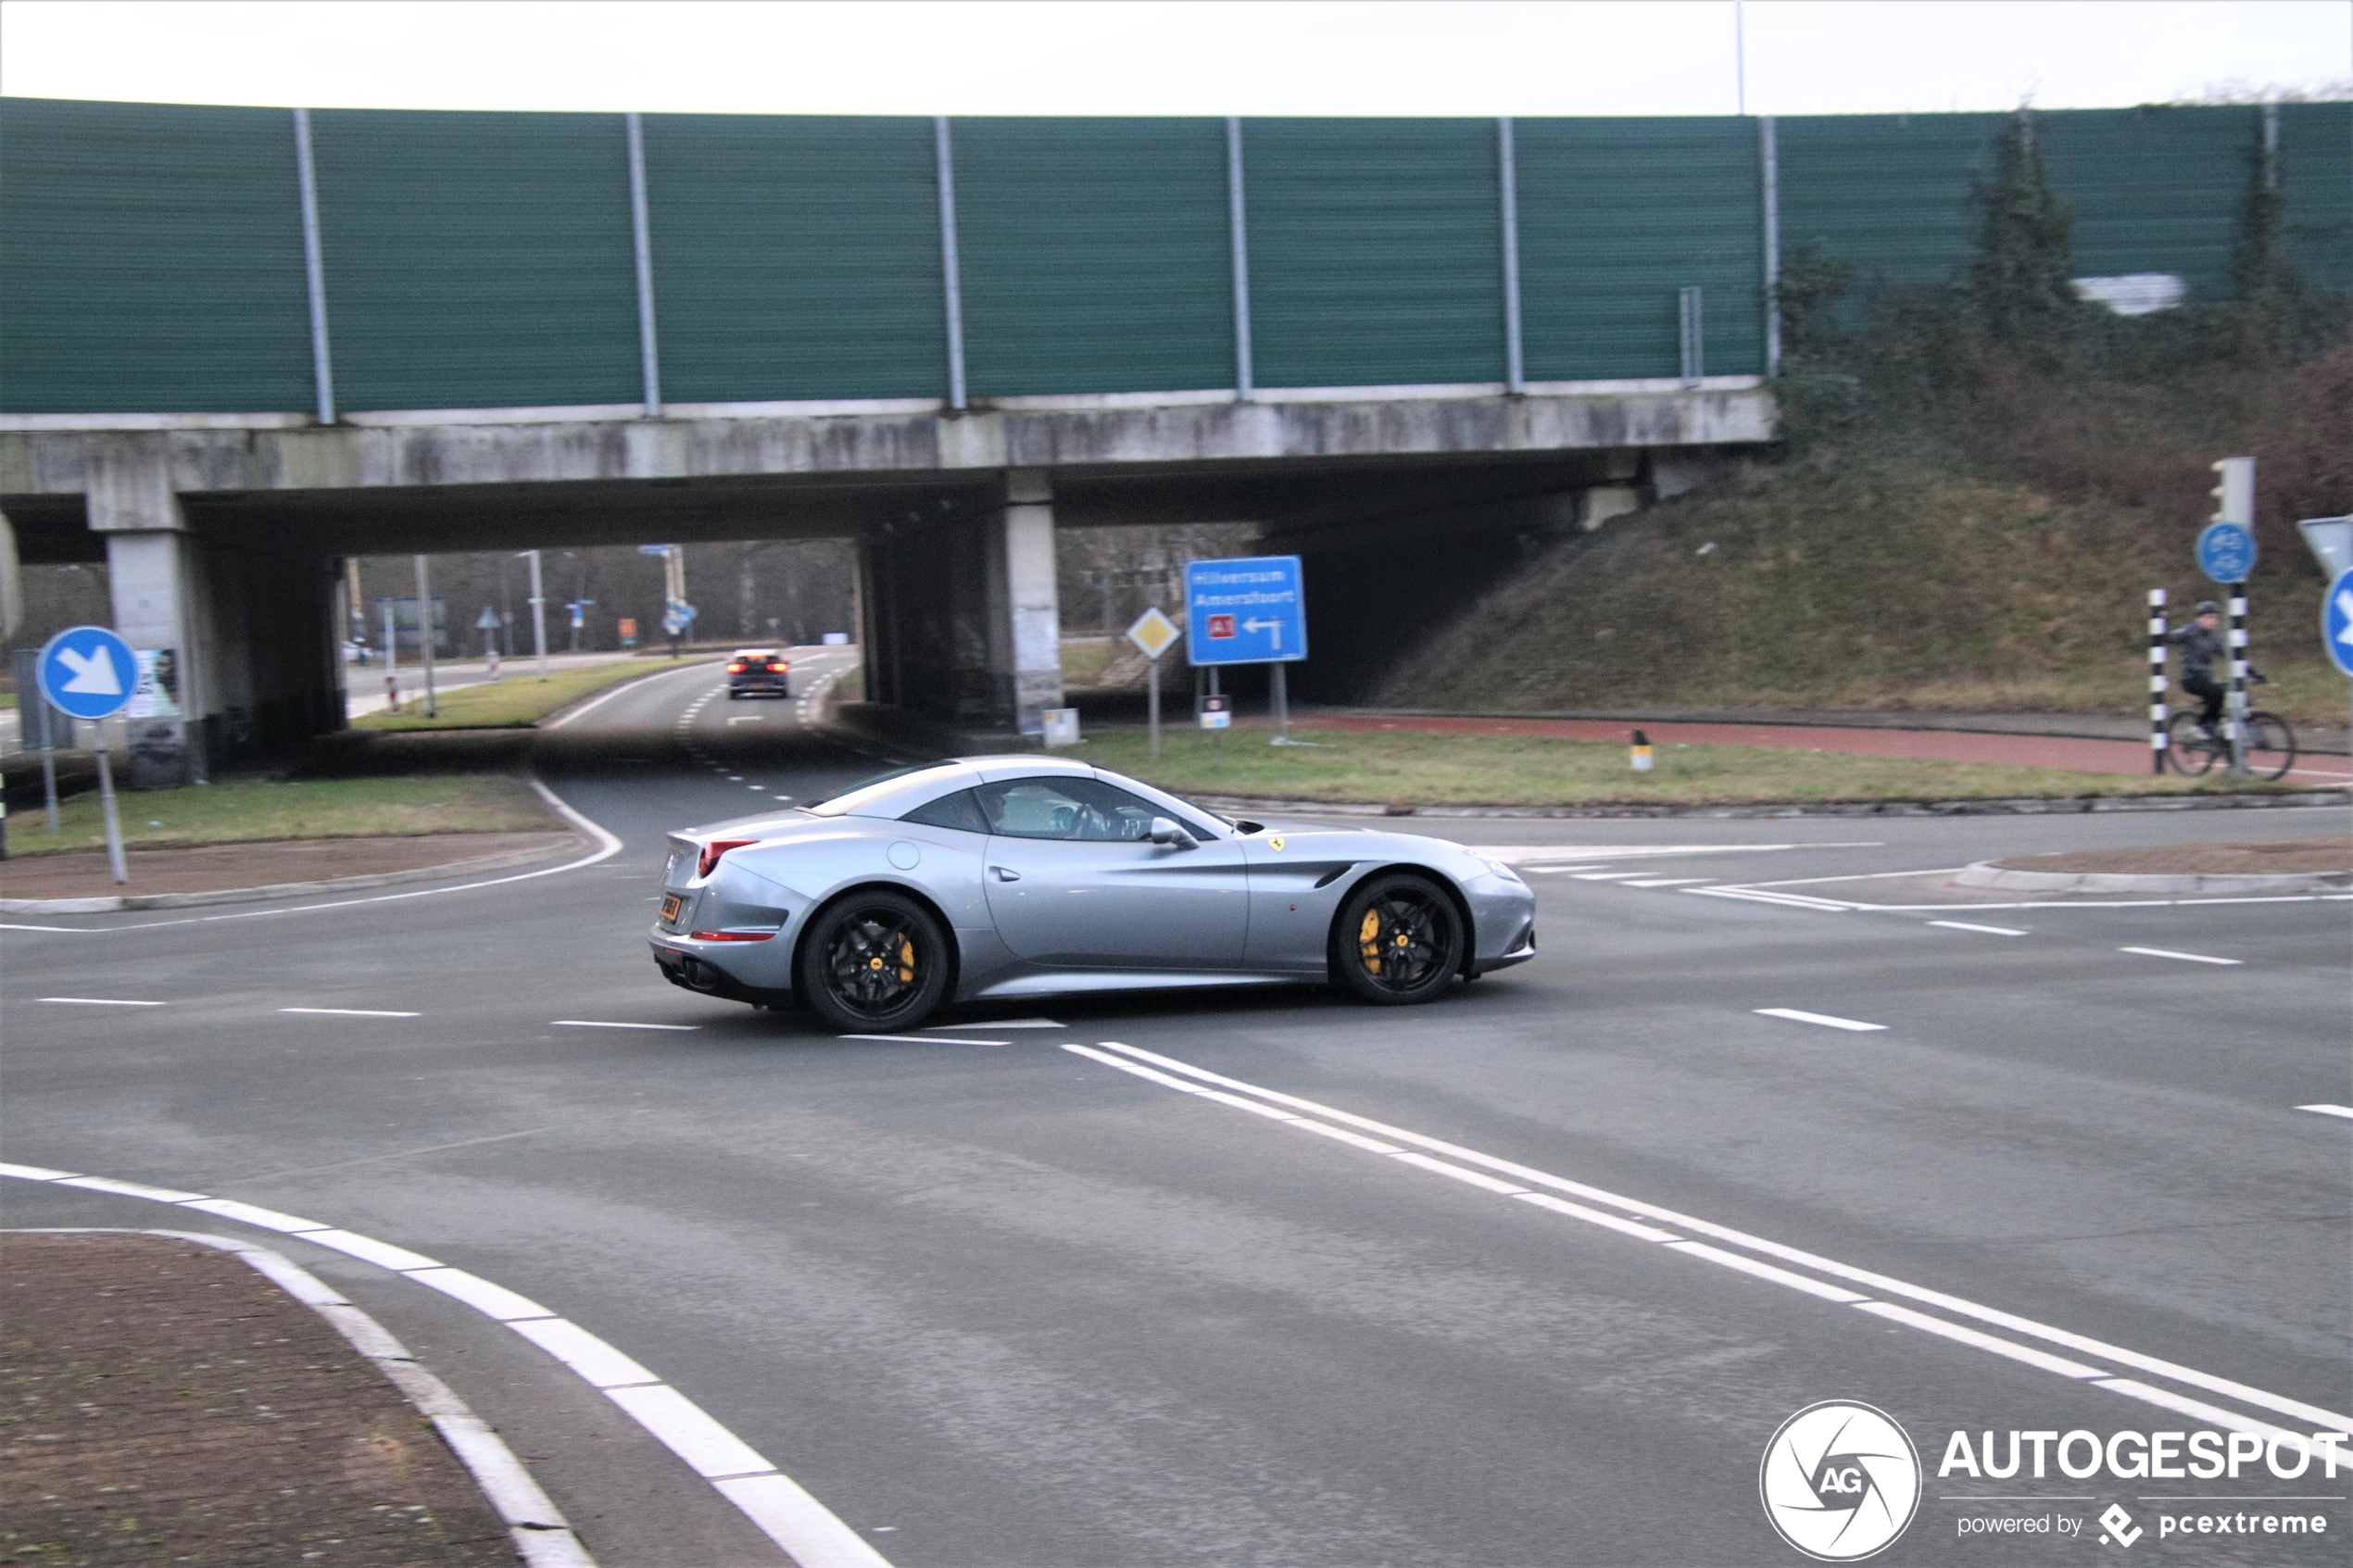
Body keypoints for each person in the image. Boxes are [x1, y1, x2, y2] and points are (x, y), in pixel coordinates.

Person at [2168, 601, 2228, 740]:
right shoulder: (2189, 631)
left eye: (2214, 618)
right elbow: (2170, 637)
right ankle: (2200, 726)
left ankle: (2216, 735)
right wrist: (2161, 619)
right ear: (2198, 618)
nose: (2211, 621)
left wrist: (2251, 671)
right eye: (2208, 617)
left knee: (2225, 690)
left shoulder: (2214, 638)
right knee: (2218, 693)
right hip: (2191, 679)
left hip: (2205, 679)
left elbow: (2231, 656)